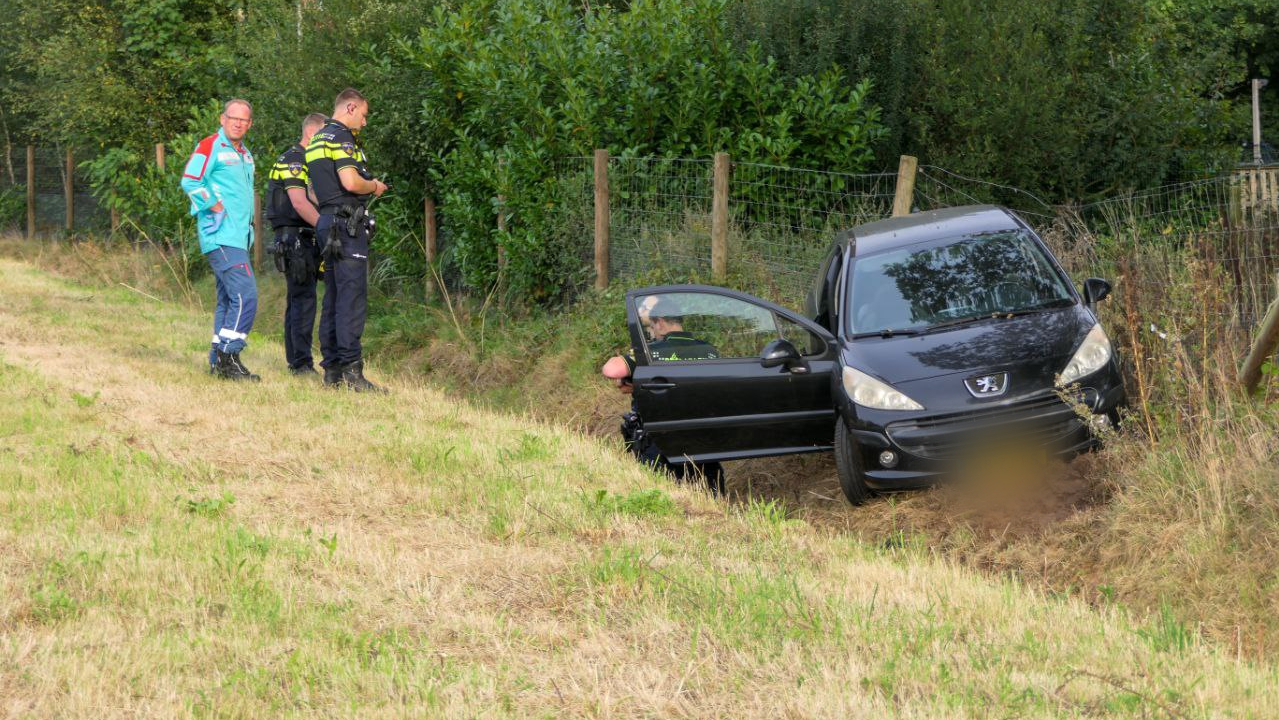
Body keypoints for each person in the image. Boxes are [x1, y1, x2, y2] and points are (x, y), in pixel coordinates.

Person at [304, 88, 388, 392]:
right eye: (363, 115)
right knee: (351, 298)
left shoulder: (316, 140)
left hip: (327, 221)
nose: (364, 122)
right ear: (350, 108)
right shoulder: (341, 138)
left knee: (335, 296)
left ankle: (333, 370)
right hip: (347, 224)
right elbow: (351, 181)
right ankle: (353, 372)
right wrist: (374, 185)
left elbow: (312, 191)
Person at [602, 295, 726, 492]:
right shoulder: (710, 350)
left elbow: (612, 370)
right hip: (703, 441)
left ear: (659, 322)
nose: (651, 334)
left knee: (660, 497)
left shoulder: (652, 351)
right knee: (711, 500)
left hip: (660, 443)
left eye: (650, 328)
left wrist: (637, 377)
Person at [180, 98, 259, 381]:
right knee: (246, 295)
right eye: (232, 118)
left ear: (249, 124)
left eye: (243, 120)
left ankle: (218, 360)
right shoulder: (210, 144)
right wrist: (214, 205)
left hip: (240, 237)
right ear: (223, 119)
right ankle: (230, 357)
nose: (238, 123)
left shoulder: (246, 154)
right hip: (221, 234)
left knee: (228, 300)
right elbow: (190, 180)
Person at [267, 113, 327, 376]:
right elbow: (300, 202)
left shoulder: (303, 160)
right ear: (312, 134)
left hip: (299, 237)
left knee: (299, 299)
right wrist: (324, 227)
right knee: (303, 300)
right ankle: (301, 363)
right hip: (295, 238)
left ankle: (296, 360)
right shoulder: (294, 159)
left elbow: (312, 196)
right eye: (324, 138)